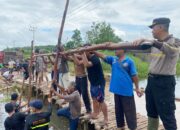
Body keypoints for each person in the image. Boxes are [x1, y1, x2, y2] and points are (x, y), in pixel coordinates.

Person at [133, 17, 180, 130]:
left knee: (167, 115)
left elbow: (171, 50)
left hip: (164, 83)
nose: (152, 31)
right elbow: (146, 56)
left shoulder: (175, 42)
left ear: (160, 27)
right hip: (152, 81)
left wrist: (153, 42)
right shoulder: (154, 45)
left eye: (153, 28)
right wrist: (130, 48)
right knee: (151, 112)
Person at [93, 50, 142, 130]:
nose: (115, 50)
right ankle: (120, 127)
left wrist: (137, 88)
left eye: (117, 49)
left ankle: (132, 128)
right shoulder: (113, 59)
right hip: (117, 92)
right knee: (118, 111)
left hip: (126, 92)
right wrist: (94, 51)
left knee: (130, 113)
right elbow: (103, 55)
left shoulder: (129, 61)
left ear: (123, 50)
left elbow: (134, 76)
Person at [80, 47, 108, 125]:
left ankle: (106, 119)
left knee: (101, 101)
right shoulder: (88, 57)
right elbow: (80, 61)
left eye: (85, 51)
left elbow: (86, 65)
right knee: (94, 99)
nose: (83, 54)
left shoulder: (95, 58)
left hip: (98, 83)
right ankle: (95, 114)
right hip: (93, 83)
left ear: (89, 51)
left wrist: (82, 53)